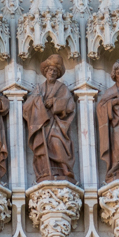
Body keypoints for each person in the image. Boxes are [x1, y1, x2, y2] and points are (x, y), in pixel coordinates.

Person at [24, 54, 76, 182]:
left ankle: (64, 169)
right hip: (42, 123)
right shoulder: (39, 88)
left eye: (55, 71)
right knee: (43, 147)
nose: (52, 73)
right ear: (46, 71)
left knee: (57, 144)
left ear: (58, 74)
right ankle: (45, 171)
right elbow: (26, 107)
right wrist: (38, 102)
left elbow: (70, 105)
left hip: (57, 124)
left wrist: (55, 102)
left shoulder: (62, 88)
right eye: (50, 70)